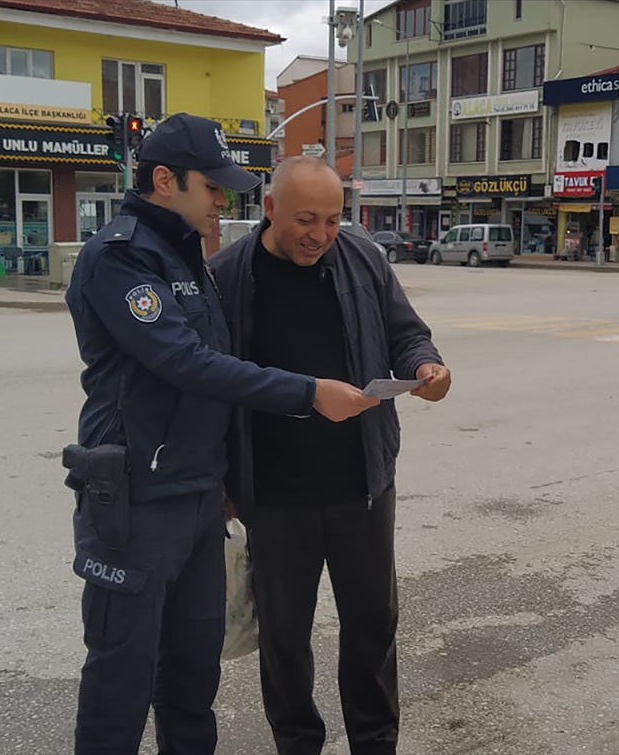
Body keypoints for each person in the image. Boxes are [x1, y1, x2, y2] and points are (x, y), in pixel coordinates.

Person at [63, 115, 379, 755]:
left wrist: (228, 478)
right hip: (136, 498)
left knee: (191, 676)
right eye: (211, 187)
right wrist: (310, 392)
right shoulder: (119, 258)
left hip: (201, 496)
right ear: (163, 179)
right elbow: (188, 363)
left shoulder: (187, 254)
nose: (221, 201)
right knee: (120, 679)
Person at [209, 156, 451, 755]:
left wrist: (425, 363)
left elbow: (404, 331)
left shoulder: (363, 259)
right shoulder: (226, 276)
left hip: (361, 485)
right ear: (268, 211)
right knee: (285, 638)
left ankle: (374, 741)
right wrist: (219, 479)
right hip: (274, 493)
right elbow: (210, 383)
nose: (319, 234)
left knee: (372, 627)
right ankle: (297, 742)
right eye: (305, 220)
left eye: (334, 219)